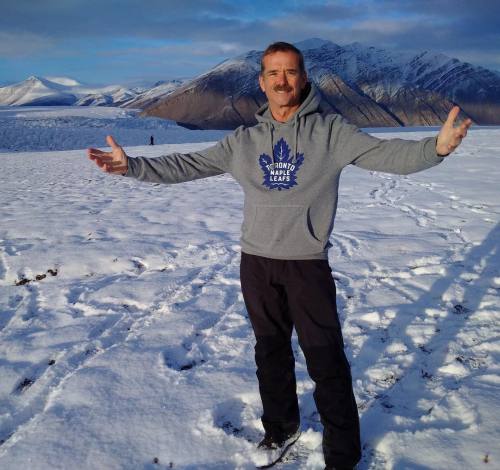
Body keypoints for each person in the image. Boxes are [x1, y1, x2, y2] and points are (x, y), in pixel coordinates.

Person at [87, 42, 471, 470]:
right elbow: (189, 164)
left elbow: (387, 154)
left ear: (304, 79)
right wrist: (133, 165)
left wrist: (434, 148)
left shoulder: (331, 132)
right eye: (273, 74)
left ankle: (343, 453)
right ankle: (280, 427)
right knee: (269, 352)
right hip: (256, 263)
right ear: (262, 82)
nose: (282, 81)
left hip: (307, 264)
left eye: (290, 72)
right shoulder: (244, 140)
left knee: (325, 360)